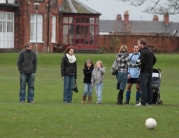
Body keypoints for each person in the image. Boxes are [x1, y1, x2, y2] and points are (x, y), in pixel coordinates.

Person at [136, 38, 156, 106]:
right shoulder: (150, 51)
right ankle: (149, 102)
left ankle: (143, 102)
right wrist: (150, 66)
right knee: (149, 86)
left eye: (138, 44)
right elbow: (155, 59)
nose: (138, 45)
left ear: (142, 44)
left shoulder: (143, 52)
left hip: (144, 72)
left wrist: (140, 66)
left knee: (143, 87)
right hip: (150, 71)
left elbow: (142, 62)